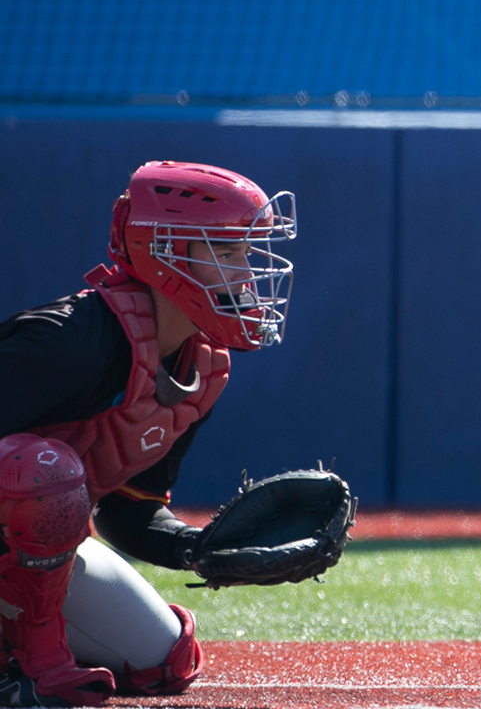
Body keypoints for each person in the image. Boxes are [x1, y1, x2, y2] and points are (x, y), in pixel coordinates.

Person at [0, 160, 297, 706]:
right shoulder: (71, 341)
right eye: (227, 253)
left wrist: (199, 547)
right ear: (165, 253)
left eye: (246, 254)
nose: (247, 274)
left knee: (164, 660)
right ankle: (28, 660)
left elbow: (128, 509)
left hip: (26, 556)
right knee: (39, 474)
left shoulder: (201, 368)